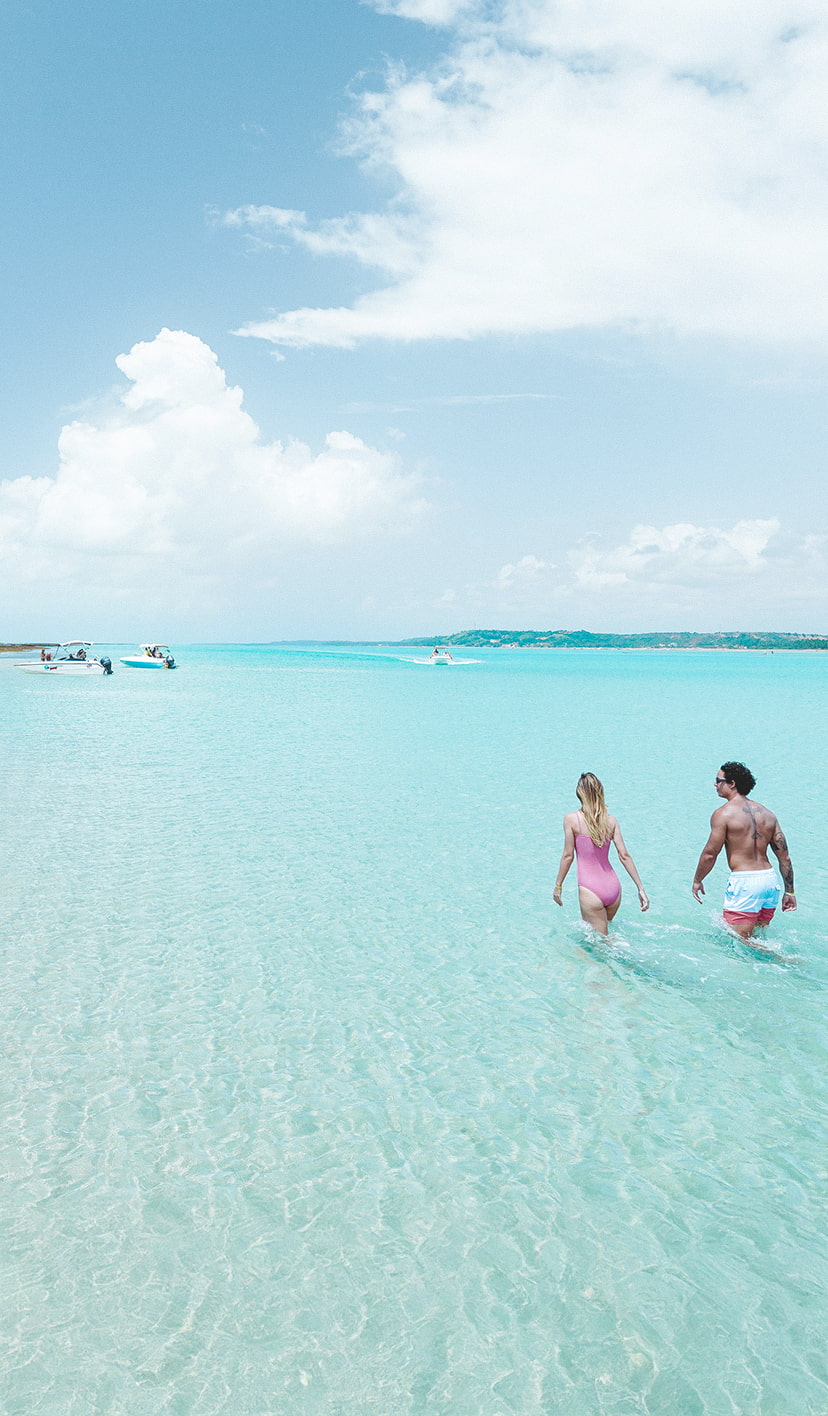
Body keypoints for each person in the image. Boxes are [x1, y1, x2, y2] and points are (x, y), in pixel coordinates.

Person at [692, 761, 796, 939]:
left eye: (718, 780)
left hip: (746, 883)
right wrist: (790, 892)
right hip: (770, 882)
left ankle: (785, 962)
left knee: (739, 940)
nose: (715, 784)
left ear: (732, 784)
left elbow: (710, 854)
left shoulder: (724, 814)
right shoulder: (768, 814)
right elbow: (784, 857)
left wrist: (697, 880)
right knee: (757, 936)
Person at [554, 772, 649, 935]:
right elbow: (624, 855)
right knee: (603, 935)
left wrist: (558, 886)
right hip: (613, 889)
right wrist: (640, 888)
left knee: (601, 944)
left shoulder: (571, 819)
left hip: (590, 890)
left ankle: (633, 959)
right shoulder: (611, 821)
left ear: (579, 794)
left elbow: (567, 856)